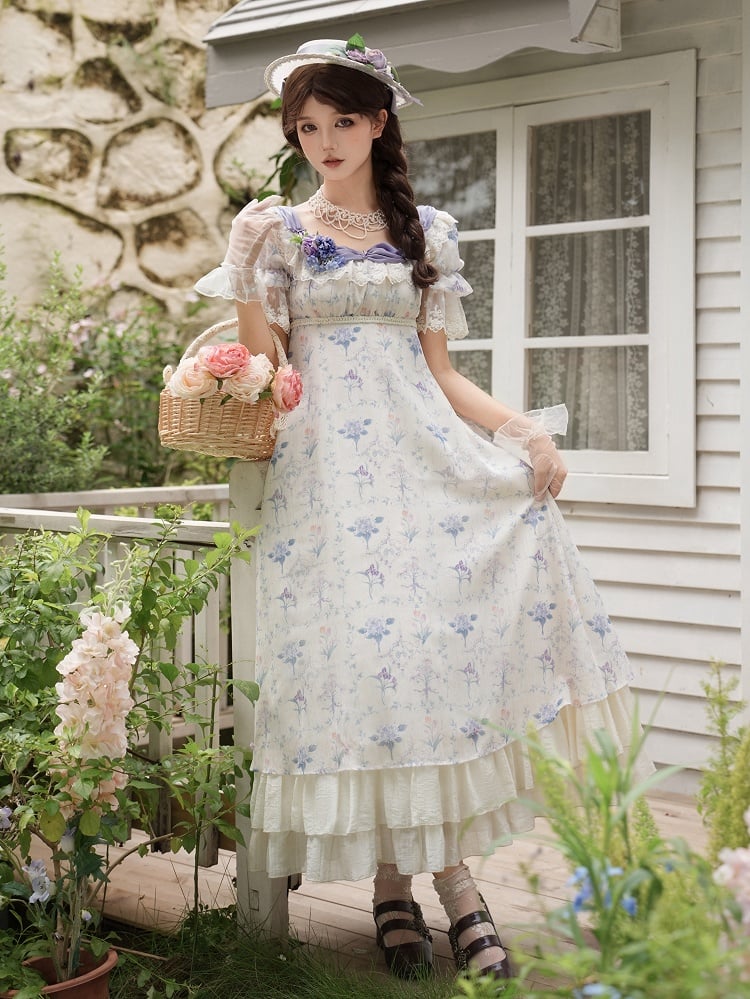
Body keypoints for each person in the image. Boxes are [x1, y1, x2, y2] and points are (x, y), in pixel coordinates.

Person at [195, 34, 641, 983]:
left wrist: (523, 431)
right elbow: (271, 372)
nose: (323, 141)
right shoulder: (280, 232)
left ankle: (444, 891)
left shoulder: (424, 231)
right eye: (307, 126)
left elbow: (441, 376)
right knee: (368, 678)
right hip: (325, 487)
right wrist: (242, 269)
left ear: (379, 123)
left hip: (422, 471)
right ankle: (412, 891)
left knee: (429, 672)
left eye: (341, 121)